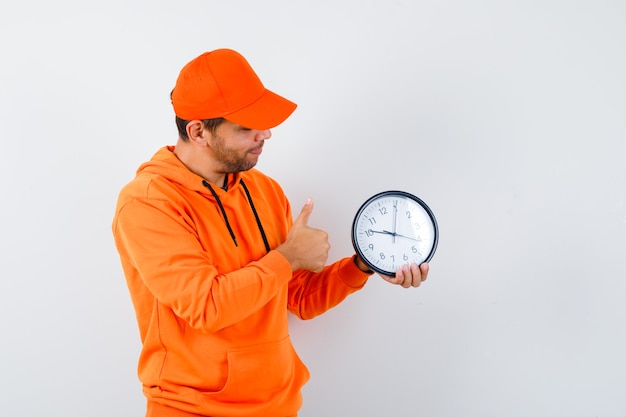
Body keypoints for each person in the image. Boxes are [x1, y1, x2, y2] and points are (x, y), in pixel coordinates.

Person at [112, 48, 430, 417]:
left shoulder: (265, 191)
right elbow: (208, 306)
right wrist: (288, 256)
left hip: (278, 406)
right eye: (246, 127)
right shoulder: (148, 203)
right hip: (192, 410)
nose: (265, 133)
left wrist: (364, 263)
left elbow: (298, 299)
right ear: (198, 131)